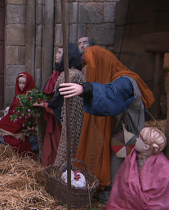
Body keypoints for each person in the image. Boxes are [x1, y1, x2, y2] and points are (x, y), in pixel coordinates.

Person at [59, 46, 155, 202]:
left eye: (87, 65)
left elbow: (112, 94)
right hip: (119, 139)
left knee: (122, 174)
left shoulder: (126, 81)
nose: (85, 71)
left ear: (100, 64)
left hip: (129, 140)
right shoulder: (113, 79)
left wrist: (86, 89)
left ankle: (117, 196)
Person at [33, 42, 85, 166]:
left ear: (68, 56)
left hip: (62, 122)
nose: (56, 55)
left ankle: (56, 174)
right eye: (57, 51)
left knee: (58, 149)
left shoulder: (71, 76)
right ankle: (50, 173)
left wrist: (45, 106)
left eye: (60, 52)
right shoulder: (60, 74)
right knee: (50, 149)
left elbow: (63, 104)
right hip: (53, 118)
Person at [103, 127, 169, 209]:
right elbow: (122, 183)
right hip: (128, 201)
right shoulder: (131, 158)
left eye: (140, 139)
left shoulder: (164, 166)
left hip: (152, 203)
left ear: (146, 147)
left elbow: (162, 188)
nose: (137, 139)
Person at [0, 72, 36, 156]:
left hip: (21, 124)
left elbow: (27, 115)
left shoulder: (30, 96)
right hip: (14, 119)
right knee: (2, 123)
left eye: (24, 83)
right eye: (19, 83)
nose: (21, 86)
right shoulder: (18, 95)